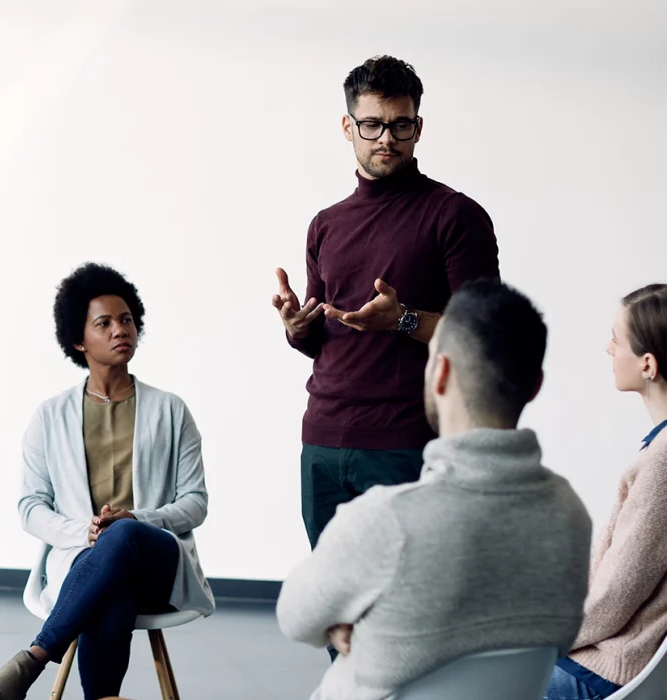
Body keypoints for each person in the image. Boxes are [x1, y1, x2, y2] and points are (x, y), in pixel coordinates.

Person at [277, 279, 592, 700]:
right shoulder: (569, 514)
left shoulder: (386, 518)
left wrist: (358, 620)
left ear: (439, 372)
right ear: (535, 385)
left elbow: (295, 618)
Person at [271, 55, 501, 554]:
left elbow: (484, 338)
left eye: (400, 125)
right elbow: (320, 339)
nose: (386, 139)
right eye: (372, 125)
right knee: (337, 608)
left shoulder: (455, 216)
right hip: (323, 439)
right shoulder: (325, 224)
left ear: (418, 127)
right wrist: (296, 326)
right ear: (348, 126)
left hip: (406, 440)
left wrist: (402, 319)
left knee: (401, 606)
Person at [0, 263, 214, 700]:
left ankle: (32, 659)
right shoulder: (50, 417)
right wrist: (81, 531)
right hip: (84, 561)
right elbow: (31, 506)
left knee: (123, 536)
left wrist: (138, 518)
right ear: (78, 340)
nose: (120, 329)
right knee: (112, 585)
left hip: (158, 560)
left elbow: (195, 502)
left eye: (126, 319)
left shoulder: (171, 410)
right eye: (103, 323)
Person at [546, 284, 667, 699]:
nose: (608, 349)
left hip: (610, 669)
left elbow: (618, 594)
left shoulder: (662, 463)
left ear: (647, 364)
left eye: (616, 340)